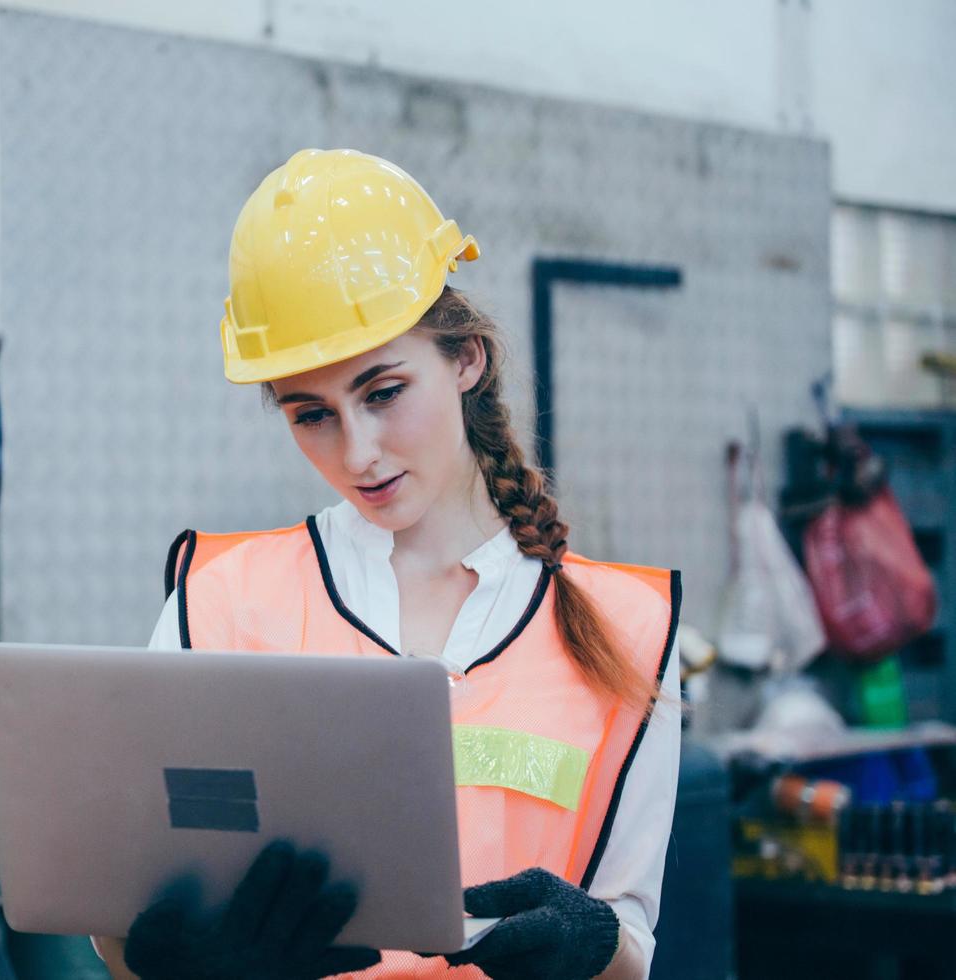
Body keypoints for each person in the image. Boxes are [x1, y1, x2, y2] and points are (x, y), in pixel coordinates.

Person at [96, 149, 681, 980]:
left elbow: (631, 951)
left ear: (466, 358)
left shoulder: (627, 630)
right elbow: (123, 928)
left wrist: (590, 941)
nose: (359, 453)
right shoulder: (217, 606)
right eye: (312, 414)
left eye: (382, 392)